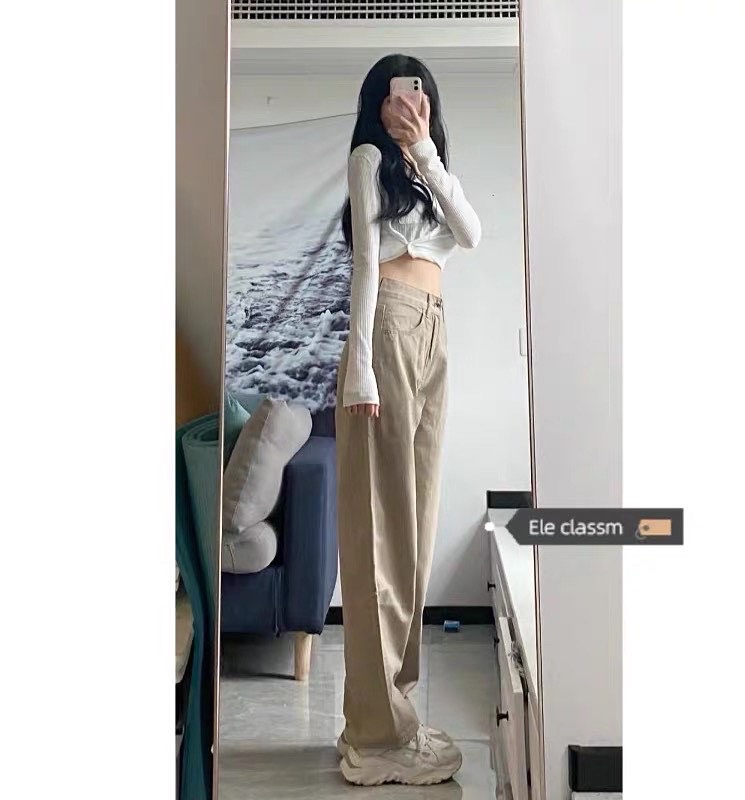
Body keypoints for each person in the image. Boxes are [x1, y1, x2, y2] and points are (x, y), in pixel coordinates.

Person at [335, 53, 481, 787]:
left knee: (415, 528)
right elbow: (366, 264)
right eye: (395, 95)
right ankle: (376, 730)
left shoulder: (427, 168)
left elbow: (471, 233)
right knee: (379, 530)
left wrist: (424, 150)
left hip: (434, 328)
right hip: (387, 326)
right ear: (376, 103)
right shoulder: (367, 161)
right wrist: (359, 366)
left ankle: (393, 711)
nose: (408, 103)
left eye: (418, 93)